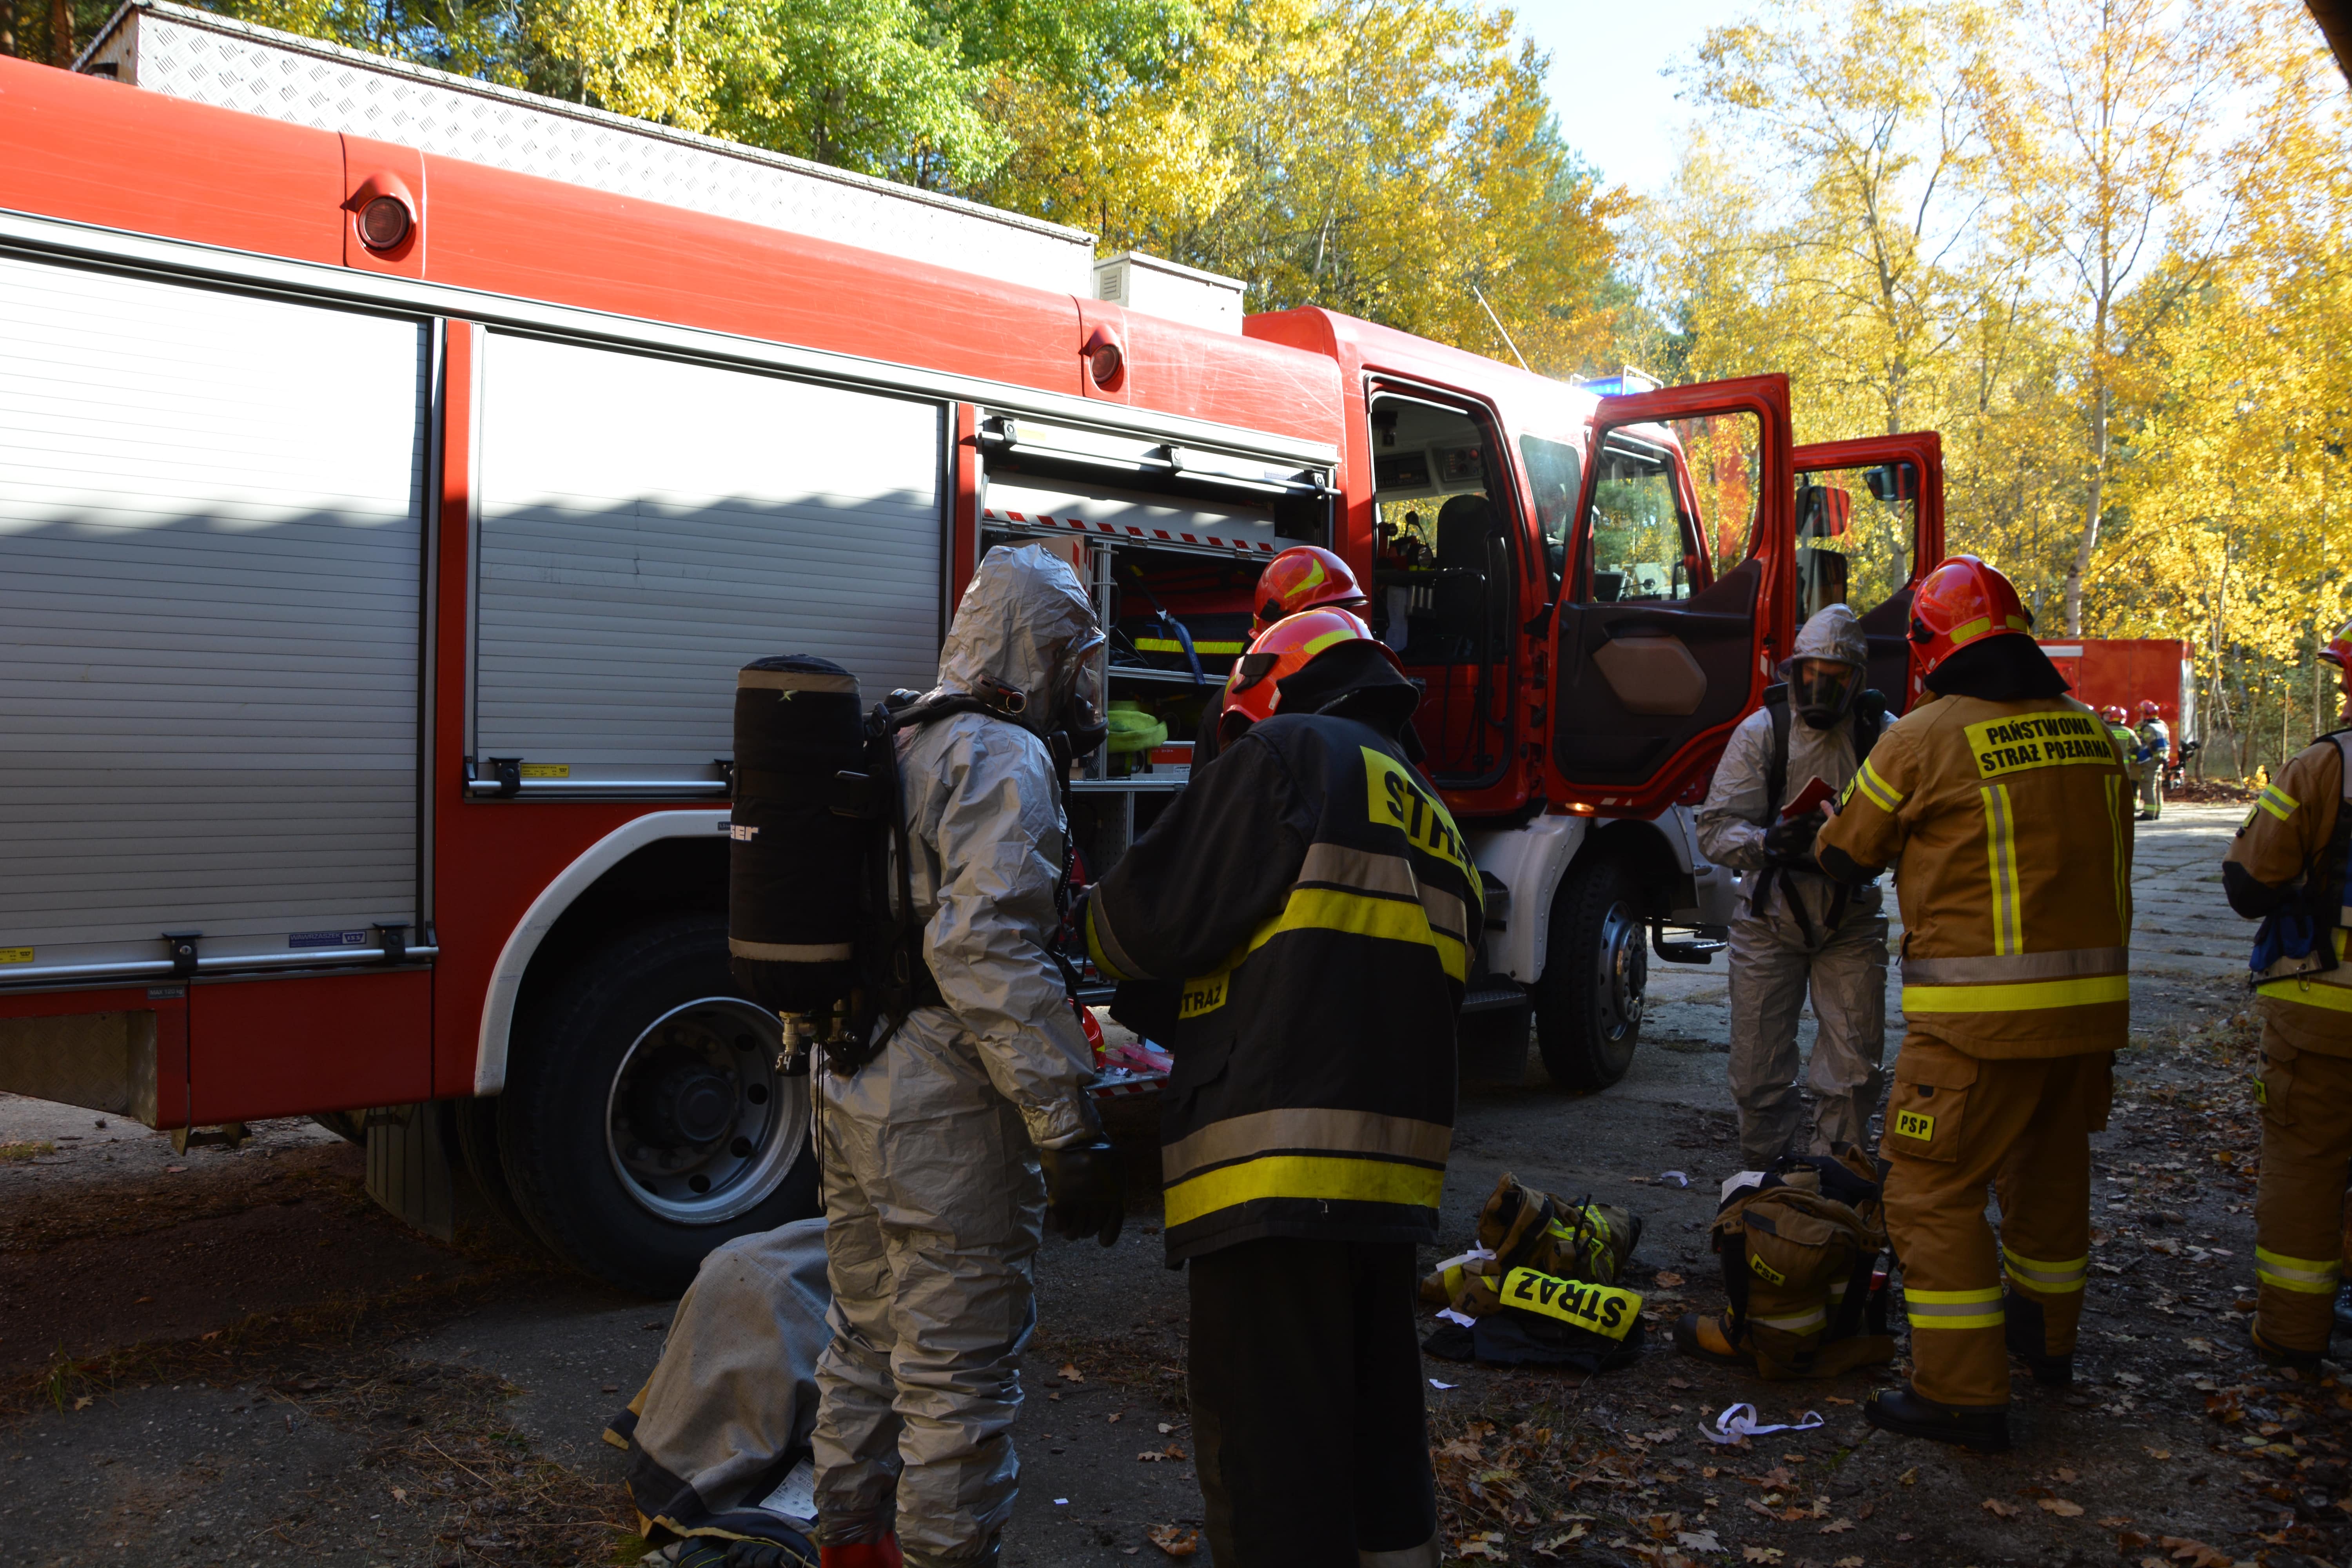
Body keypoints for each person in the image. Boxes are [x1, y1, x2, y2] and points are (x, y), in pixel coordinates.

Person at [1081, 607, 1481, 1568]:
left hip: (1270, 1173)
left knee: (1271, 1458)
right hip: (1389, 1187)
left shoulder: (1291, 752)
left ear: (1267, 692)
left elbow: (1139, 926)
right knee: (1378, 1438)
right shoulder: (1428, 807)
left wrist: (1080, 912)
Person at [811, 544, 1127, 1568]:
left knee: (864, 1346)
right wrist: (1068, 1124)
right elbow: (983, 947)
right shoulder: (1003, 757)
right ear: (1032, 653)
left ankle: (848, 1548)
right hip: (946, 1112)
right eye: (1073, 658)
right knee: (956, 1382)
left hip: (849, 1079)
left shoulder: (896, 738)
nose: (1083, 685)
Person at [1813, 555, 2133, 1454]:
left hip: (1975, 1027)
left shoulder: (1923, 735)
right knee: (2048, 1178)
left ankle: (1960, 1391)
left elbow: (1844, 856)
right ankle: (2047, 1344)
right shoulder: (2095, 735)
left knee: (1928, 1190)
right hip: (2086, 1026)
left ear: (1927, 645)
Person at [1693, 602, 1889, 1176]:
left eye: (1835, 681)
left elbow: (1920, 824)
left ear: (1857, 683)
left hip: (1849, 917)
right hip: (1768, 916)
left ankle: (1836, 1191)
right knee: (1758, 1070)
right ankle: (1766, 1183)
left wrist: (1864, 844)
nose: (1820, 692)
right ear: (1793, 674)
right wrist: (1770, 841)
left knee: (1853, 1070)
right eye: (1811, 678)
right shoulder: (1763, 732)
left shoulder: (1884, 735)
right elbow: (1714, 829)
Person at [2223, 615, 2352, 1373]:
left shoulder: (2325, 767)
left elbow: (2250, 883)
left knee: (2307, 1169)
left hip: (2324, 1008)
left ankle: (2294, 1334)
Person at [1192, 544, 1369, 766]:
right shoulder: (1231, 709)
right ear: (1283, 627)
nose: (1337, 630)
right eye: (1324, 620)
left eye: (1343, 614)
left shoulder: (1366, 697)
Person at [2136, 699, 2173, 819]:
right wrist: (2163, 759)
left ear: (2146, 714)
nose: (2140, 716)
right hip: (2159, 761)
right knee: (2157, 787)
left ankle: (2149, 813)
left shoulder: (2148, 729)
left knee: (2148, 787)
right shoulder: (2161, 725)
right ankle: (2157, 812)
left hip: (2150, 762)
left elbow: (2151, 745)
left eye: (2142, 714)